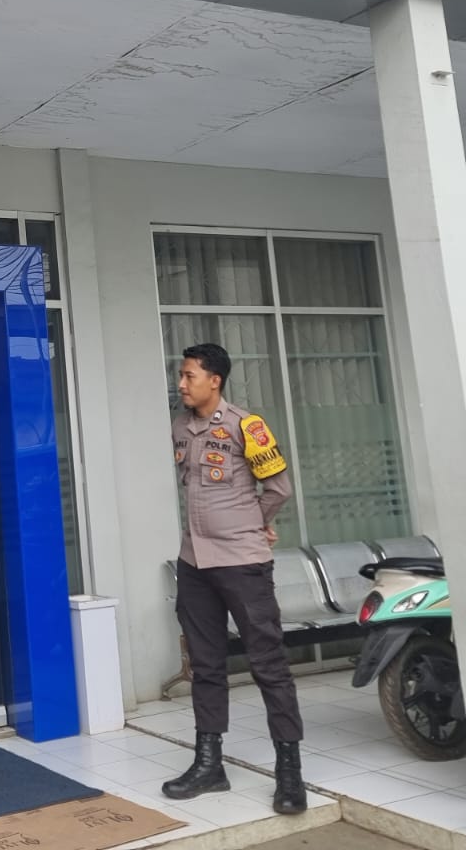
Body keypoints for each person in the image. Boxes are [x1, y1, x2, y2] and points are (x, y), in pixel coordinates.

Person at [161, 343, 307, 815]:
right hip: (194, 564)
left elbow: (279, 488)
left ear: (214, 380)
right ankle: (209, 765)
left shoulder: (248, 426)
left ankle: (289, 771)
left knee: (269, 665)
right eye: (181, 375)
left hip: (242, 563)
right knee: (205, 665)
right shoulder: (180, 427)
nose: (181, 384)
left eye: (189, 376)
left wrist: (252, 523)